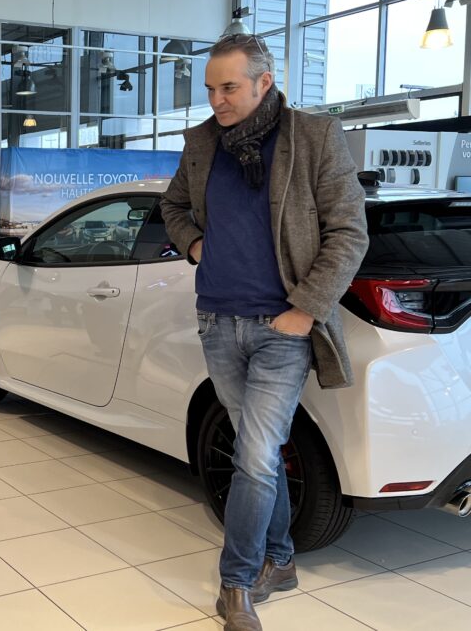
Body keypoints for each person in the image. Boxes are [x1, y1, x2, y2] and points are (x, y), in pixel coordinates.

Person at [160, 34, 367, 631]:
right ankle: (279, 558)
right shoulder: (202, 144)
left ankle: (237, 581)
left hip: (282, 326)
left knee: (252, 456)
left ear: (264, 82)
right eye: (210, 89)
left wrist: (306, 308)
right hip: (216, 320)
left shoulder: (314, 137)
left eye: (228, 88)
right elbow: (174, 208)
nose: (217, 100)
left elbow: (349, 232)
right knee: (261, 454)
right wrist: (195, 244)